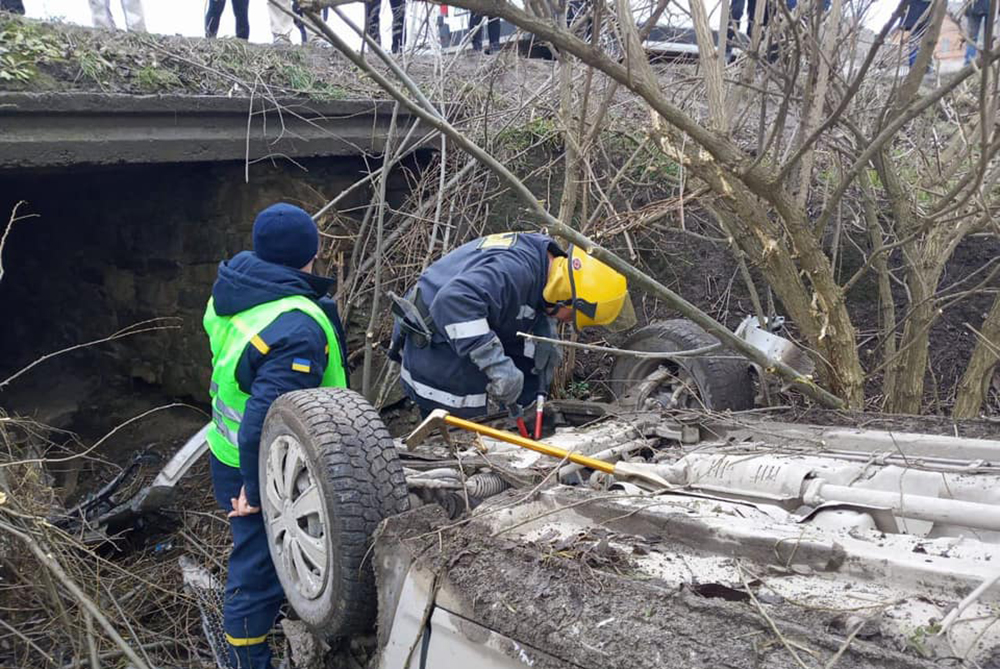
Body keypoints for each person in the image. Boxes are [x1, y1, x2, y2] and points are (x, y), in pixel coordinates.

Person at [203, 203, 348, 669]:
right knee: (258, 568)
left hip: (227, 450)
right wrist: (254, 486)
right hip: (268, 466)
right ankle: (248, 659)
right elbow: (265, 414)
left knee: (266, 555)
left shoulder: (235, 288)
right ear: (315, 251)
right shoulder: (296, 326)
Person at [388, 232, 633, 419]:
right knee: (471, 425)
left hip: (461, 324)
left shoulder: (544, 262)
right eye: (571, 317)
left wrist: (542, 330)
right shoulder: (513, 271)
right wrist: (496, 364)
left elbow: (515, 304)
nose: (566, 322)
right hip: (437, 346)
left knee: (526, 375)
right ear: (564, 297)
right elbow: (452, 303)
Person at [965, 0, 990, 65]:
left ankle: (969, 62)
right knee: (988, 37)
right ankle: (988, 60)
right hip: (988, 5)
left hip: (975, 6)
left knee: (973, 38)